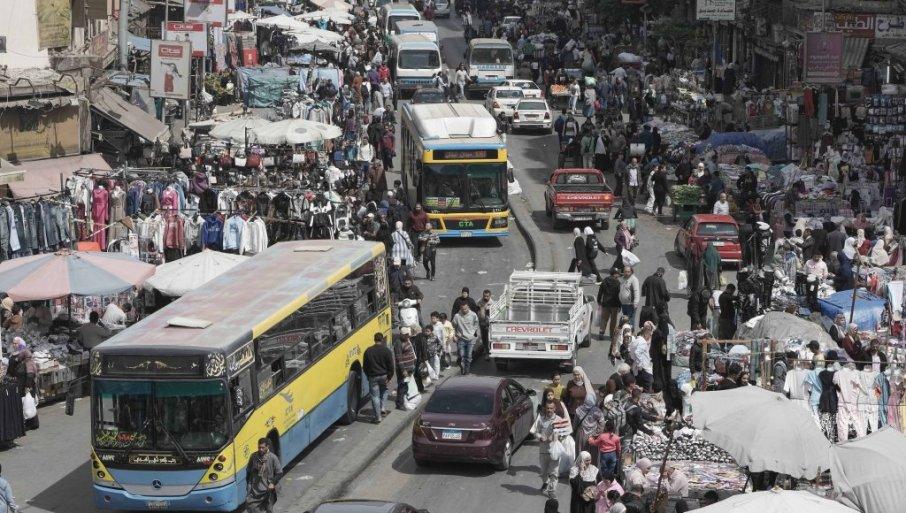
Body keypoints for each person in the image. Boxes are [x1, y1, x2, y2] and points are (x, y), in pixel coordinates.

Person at [531, 401, 566, 499]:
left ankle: (551, 490)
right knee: (543, 472)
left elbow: (565, 434)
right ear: (545, 409)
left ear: (554, 409)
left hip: (555, 451)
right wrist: (540, 437)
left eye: (551, 408)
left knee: (554, 472)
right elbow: (535, 432)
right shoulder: (541, 419)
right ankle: (545, 482)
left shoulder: (559, 420)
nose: (549, 410)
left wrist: (557, 438)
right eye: (547, 408)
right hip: (543, 450)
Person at [363, 333, 395, 423]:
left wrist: (368, 375)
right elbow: (391, 366)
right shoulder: (386, 351)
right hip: (384, 376)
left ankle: (378, 417)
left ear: (374, 339)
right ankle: (383, 408)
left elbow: (365, 366)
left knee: (375, 396)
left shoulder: (368, 351)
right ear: (382, 339)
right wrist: (389, 377)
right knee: (384, 390)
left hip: (373, 377)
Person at [246, 438, 283, 513]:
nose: (260, 449)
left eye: (262, 447)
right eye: (259, 447)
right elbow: (248, 471)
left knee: (269, 509)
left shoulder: (273, 458)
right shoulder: (253, 456)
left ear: (267, 446)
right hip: (255, 490)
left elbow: (279, 473)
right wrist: (249, 485)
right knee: (251, 507)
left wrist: (272, 483)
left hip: (268, 490)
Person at [7, 338, 37, 430]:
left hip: (26, 383)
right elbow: (10, 370)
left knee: (29, 404)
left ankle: (32, 423)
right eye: (13, 343)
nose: (15, 345)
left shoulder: (26, 354)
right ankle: (24, 424)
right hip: (18, 384)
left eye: (16, 343)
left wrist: (28, 385)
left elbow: (30, 371)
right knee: (22, 404)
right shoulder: (12, 355)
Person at [597, 268, 622, 351]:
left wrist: (599, 301)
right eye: (618, 274)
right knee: (613, 320)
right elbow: (619, 295)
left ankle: (601, 333)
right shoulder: (617, 283)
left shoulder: (605, 281)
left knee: (604, 319)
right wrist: (620, 305)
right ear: (615, 274)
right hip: (614, 305)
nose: (618, 275)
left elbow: (600, 291)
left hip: (605, 304)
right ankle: (611, 335)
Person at [394, 328, 419, 408]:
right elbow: (399, 358)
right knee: (402, 386)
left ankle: (406, 401)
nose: (408, 336)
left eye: (408, 334)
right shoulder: (398, 343)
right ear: (401, 335)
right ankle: (400, 404)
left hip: (410, 368)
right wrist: (403, 370)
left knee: (408, 386)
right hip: (404, 370)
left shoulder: (407, 340)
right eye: (406, 335)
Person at [452, 301, 480, 374]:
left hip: (470, 339)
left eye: (465, 309)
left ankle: (467, 370)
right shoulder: (457, 316)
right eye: (462, 309)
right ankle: (463, 367)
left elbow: (476, 323)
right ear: (460, 308)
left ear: (468, 307)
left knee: (469, 356)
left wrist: (473, 331)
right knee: (462, 355)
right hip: (461, 339)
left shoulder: (473, 315)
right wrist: (454, 335)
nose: (464, 310)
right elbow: (453, 326)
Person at [630, 322, 655, 391]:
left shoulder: (636, 340)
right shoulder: (643, 342)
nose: (650, 336)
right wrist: (640, 365)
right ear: (647, 332)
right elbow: (637, 352)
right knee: (647, 390)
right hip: (644, 370)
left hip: (637, 370)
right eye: (650, 334)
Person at [477, 289, 493, 361]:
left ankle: (489, 352)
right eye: (484, 296)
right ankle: (486, 351)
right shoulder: (479, 301)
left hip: (489, 324)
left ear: (490, 296)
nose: (485, 297)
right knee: (484, 338)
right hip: (482, 323)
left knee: (489, 338)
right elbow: (477, 311)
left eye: (487, 296)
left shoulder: (492, 303)